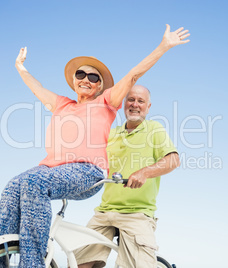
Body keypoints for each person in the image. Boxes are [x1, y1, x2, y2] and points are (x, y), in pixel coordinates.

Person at [0, 24, 190, 268]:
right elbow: (37, 88)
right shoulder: (62, 104)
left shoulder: (106, 103)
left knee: (34, 185)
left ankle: (31, 264)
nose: (86, 79)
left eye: (93, 77)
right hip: (52, 170)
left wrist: (163, 47)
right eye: (81, 75)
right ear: (74, 81)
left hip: (86, 172)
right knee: (12, 187)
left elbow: (134, 75)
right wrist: (20, 68)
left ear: (99, 86)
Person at [75, 85, 180, 268]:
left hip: (137, 213)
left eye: (141, 101)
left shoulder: (154, 129)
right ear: (124, 104)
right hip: (105, 211)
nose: (135, 104)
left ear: (148, 106)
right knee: (79, 262)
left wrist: (144, 172)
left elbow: (173, 160)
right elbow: (89, 161)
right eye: (131, 99)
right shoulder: (111, 134)